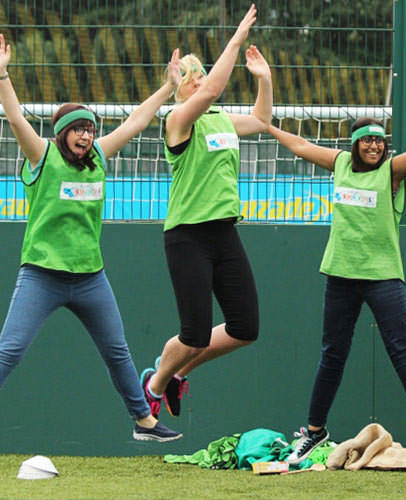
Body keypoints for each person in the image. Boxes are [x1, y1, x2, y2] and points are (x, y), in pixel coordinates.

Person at [0, 33, 182, 449]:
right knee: (8, 350)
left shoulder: (99, 159)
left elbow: (137, 121)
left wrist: (169, 88)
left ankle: (143, 420)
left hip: (90, 278)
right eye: (78, 131)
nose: (86, 137)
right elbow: (16, 120)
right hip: (41, 276)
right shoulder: (42, 157)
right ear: (63, 134)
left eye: (90, 130)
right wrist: (1, 74)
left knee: (118, 352)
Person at [266, 88, 406, 469]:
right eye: (367, 140)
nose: (374, 147)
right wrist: (268, 126)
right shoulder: (341, 165)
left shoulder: (391, 171)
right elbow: (300, 145)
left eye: (379, 141)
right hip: (341, 275)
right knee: (332, 354)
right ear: (354, 145)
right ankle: (314, 432)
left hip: (383, 277)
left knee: (402, 351)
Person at [139, 5, 272, 420]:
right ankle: (156, 382)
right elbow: (212, 91)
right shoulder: (179, 121)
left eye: (202, 78)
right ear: (181, 92)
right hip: (188, 235)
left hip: (223, 233)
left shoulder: (220, 120)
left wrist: (264, 80)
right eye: (192, 80)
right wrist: (236, 38)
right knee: (193, 334)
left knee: (245, 327)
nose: (200, 85)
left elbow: (261, 119)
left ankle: (176, 377)